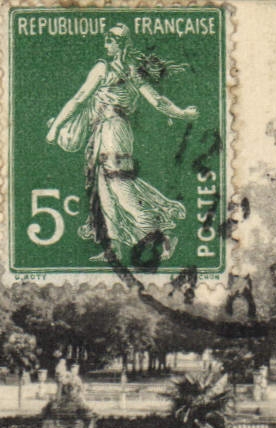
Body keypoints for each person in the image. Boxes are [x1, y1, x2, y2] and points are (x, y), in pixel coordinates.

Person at [45, 24, 198, 261]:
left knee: (119, 186)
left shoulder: (107, 69)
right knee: (103, 188)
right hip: (107, 130)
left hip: (113, 130)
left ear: (121, 44)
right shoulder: (130, 71)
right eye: (105, 40)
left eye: (110, 41)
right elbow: (157, 101)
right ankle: (113, 247)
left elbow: (79, 99)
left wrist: (55, 127)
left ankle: (163, 235)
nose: (106, 45)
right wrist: (182, 113)